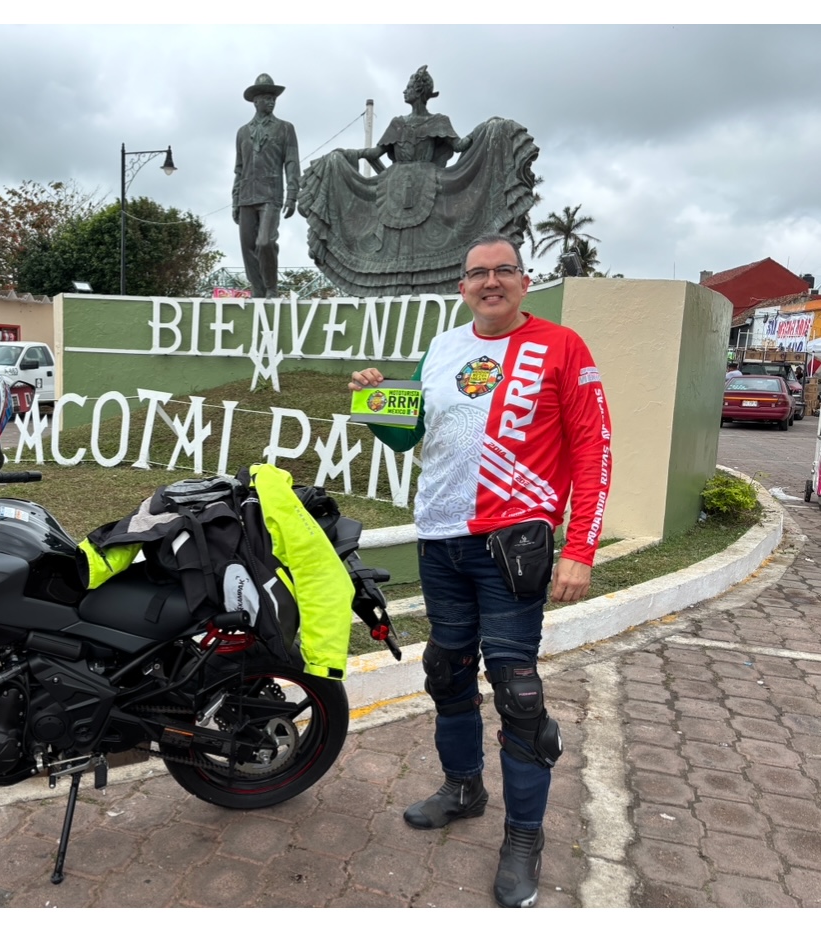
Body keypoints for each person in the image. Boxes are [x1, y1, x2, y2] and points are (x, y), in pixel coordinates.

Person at [348, 234, 612, 908]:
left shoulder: (561, 346)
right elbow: (416, 437)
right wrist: (379, 407)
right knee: (446, 669)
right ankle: (463, 787)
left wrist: (580, 546)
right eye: (476, 274)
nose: (489, 282)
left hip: (512, 542)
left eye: (502, 271)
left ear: (524, 281)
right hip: (439, 539)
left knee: (518, 691)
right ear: (461, 286)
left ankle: (524, 835)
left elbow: (592, 447)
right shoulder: (441, 348)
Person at [299, 65, 538, 297]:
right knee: (391, 242)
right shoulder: (397, 123)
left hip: (429, 185)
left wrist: (489, 128)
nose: (404, 91)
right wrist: (344, 156)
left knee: (430, 237)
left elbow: (460, 146)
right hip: (393, 189)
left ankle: (429, 284)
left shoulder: (438, 121)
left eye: (409, 87)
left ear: (419, 92)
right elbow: (374, 154)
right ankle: (390, 289)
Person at [232, 73, 299, 299]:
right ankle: (257, 292)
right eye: (266, 97)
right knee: (247, 248)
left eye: (273, 98)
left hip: (271, 195)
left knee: (265, 242)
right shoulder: (242, 132)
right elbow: (239, 168)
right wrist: (235, 200)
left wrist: (292, 195)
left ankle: (271, 288)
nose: (271, 101)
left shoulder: (285, 128)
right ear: (256, 101)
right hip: (246, 196)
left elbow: (291, 163)